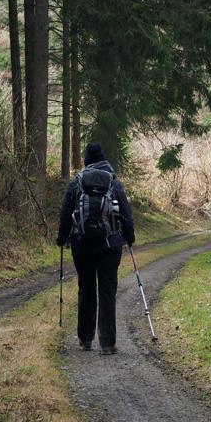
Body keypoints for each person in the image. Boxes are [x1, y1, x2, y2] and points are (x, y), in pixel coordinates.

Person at [56, 143, 135, 355]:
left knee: (86, 290)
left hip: (82, 246)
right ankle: (108, 343)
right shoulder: (113, 183)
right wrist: (130, 237)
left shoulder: (76, 184)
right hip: (110, 246)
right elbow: (126, 215)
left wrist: (61, 239)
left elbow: (66, 215)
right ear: (104, 160)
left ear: (86, 161)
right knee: (107, 291)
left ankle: (85, 339)